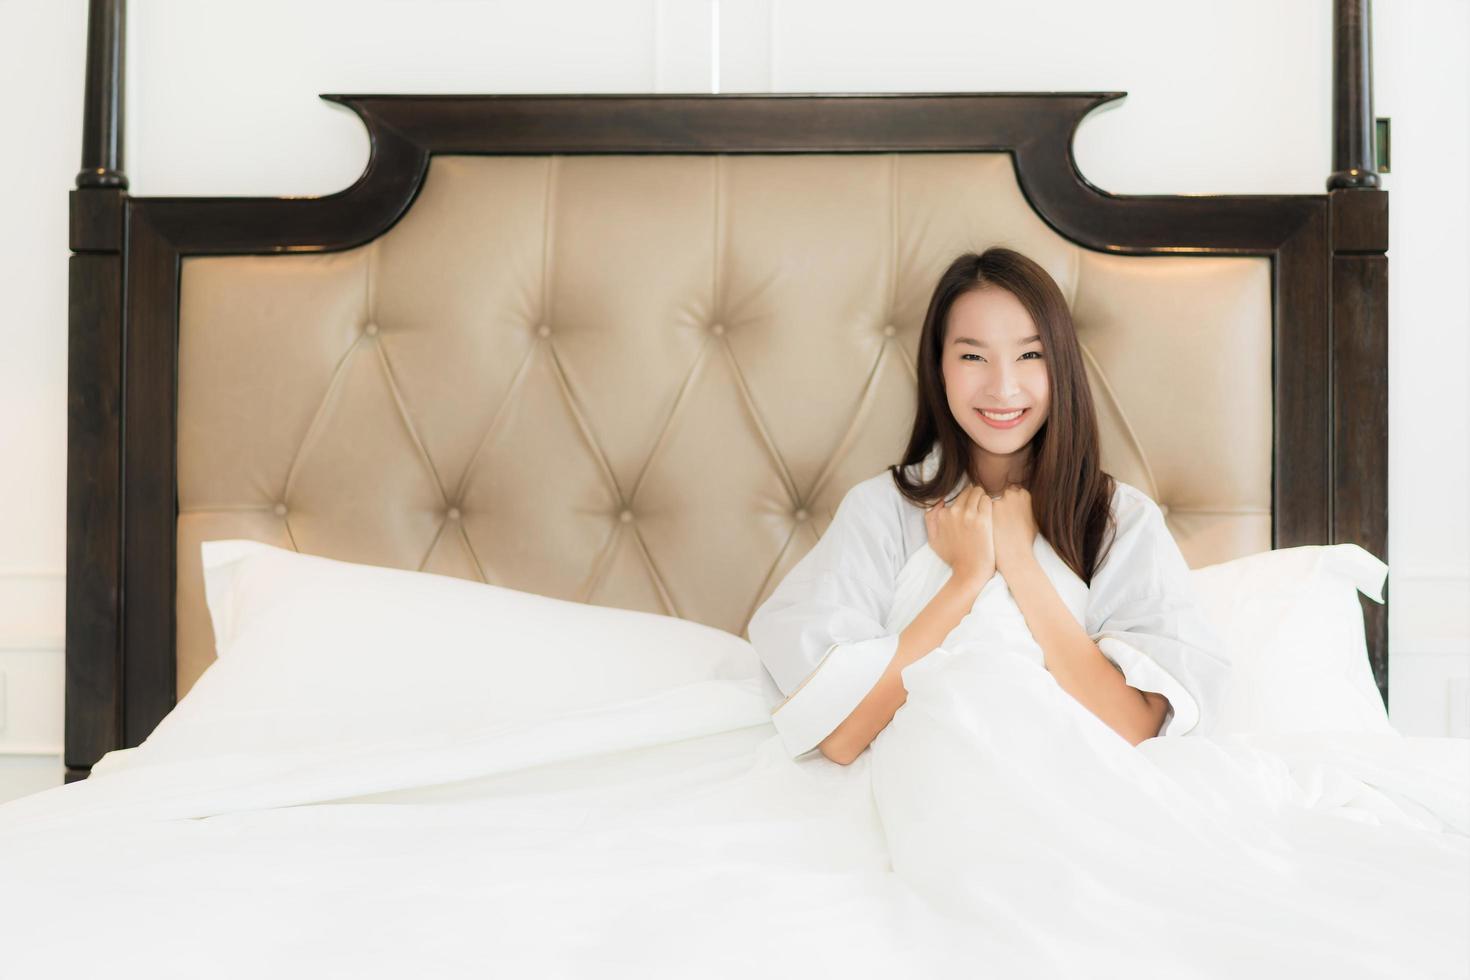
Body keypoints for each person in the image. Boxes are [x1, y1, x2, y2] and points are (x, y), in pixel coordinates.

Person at [747, 247, 1230, 764]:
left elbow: (1134, 730)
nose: (1002, 388)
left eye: (1030, 354)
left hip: (1078, 785)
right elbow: (842, 739)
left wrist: (1020, 563)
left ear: (1061, 363)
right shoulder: (880, 510)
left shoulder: (1121, 521)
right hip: (918, 778)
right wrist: (965, 579)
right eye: (973, 356)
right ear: (940, 368)